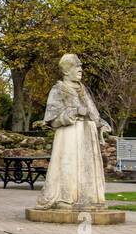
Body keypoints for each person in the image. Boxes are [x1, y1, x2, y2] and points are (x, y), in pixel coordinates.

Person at [37, 54, 110, 211]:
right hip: (68, 137)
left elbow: (94, 114)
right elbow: (52, 119)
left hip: (87, 136)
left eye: (81, 67)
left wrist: (101, 124)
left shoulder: (84, 90)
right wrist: (74, 112)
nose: (80, 70)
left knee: (87, 170)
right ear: (66, 71)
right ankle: (65, 199)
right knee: (67, 166)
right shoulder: (58, 90)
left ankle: (89, 199)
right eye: (77, 67)